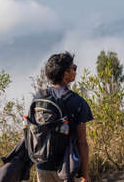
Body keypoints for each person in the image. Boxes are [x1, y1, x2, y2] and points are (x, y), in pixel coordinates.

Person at [35, 52, 93, 182]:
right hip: (68, 168)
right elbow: (82, 142)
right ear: (65, 74)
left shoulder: (39, 97)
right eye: (74, 68)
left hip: (42, 166)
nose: (75, 71)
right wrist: (85, 175)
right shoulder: (78, 102)